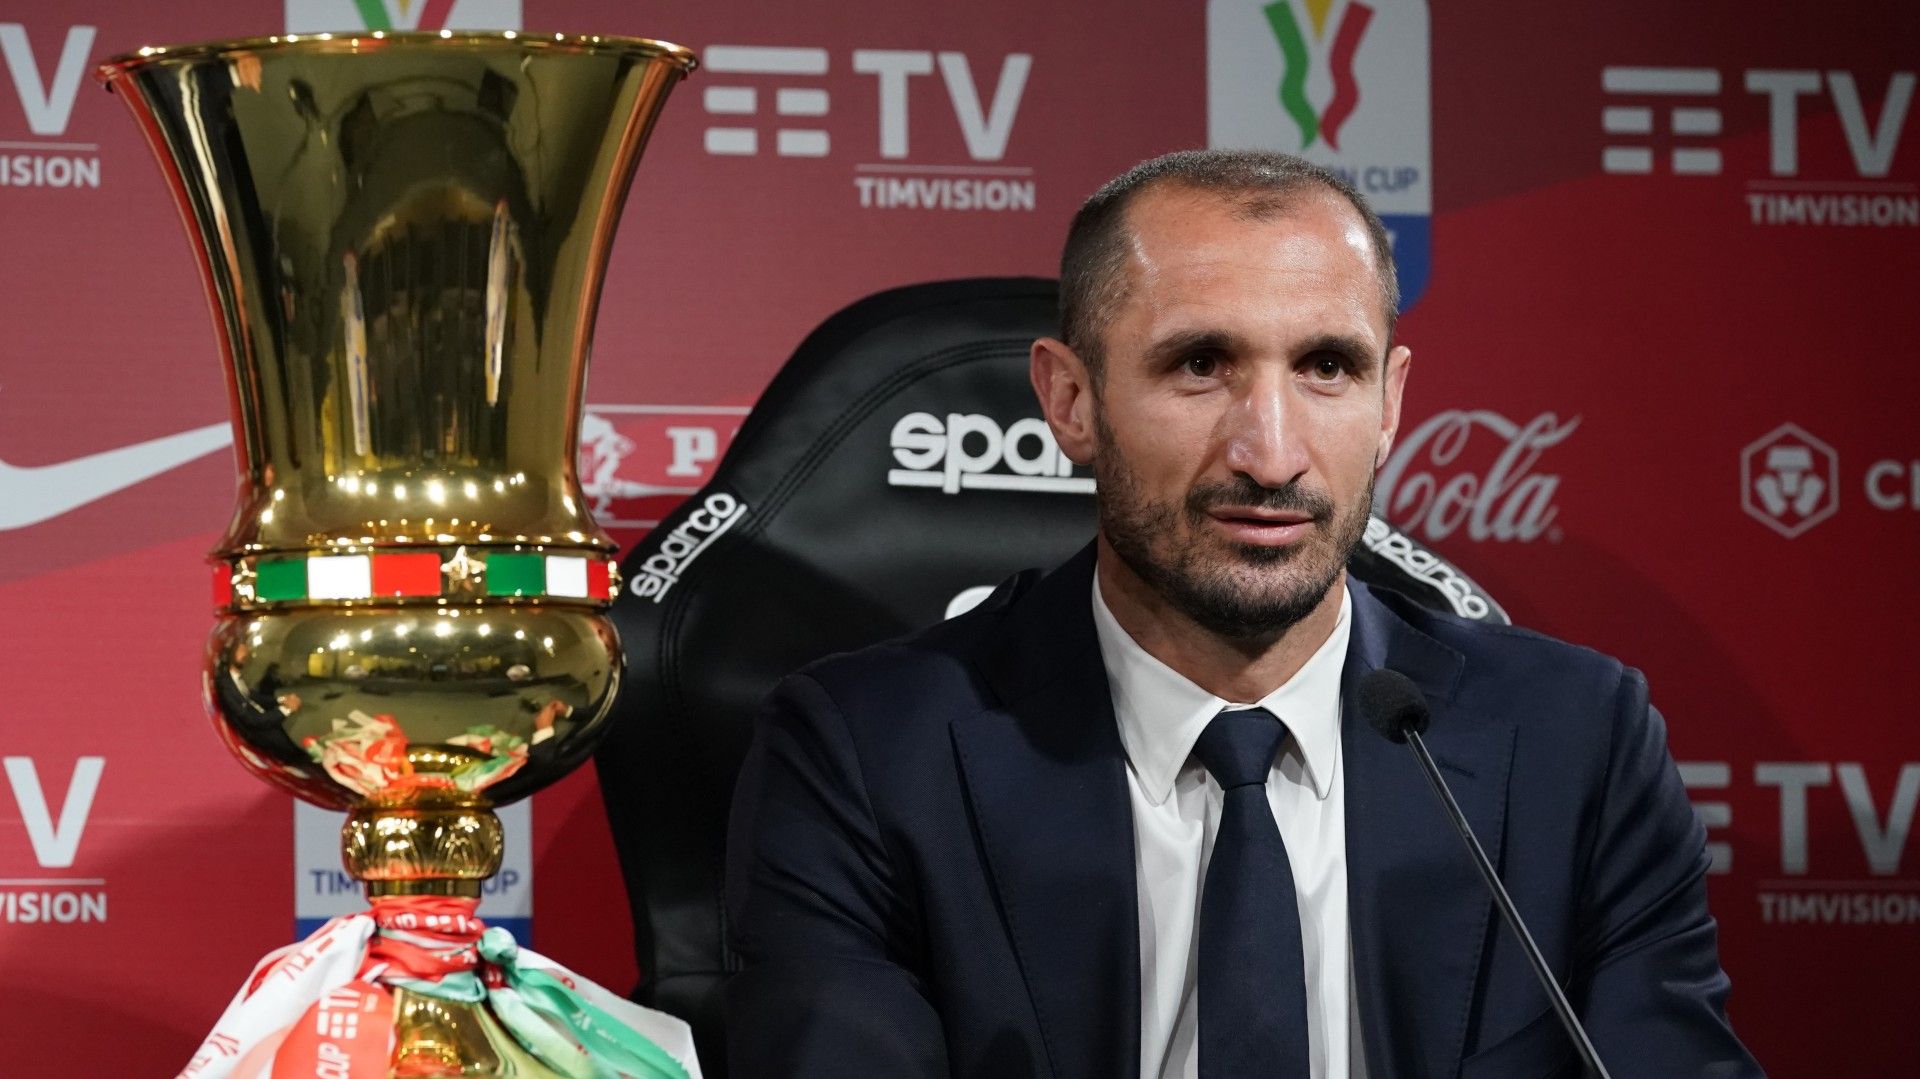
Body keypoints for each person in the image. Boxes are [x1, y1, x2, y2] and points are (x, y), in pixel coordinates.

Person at [723, 150, 1760, 1078]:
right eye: (1200, 365)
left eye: (1327, 367)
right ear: (1071, 401)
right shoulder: (865, 752)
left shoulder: (1577, 742)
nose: (1271, 453)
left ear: (1391, 403)